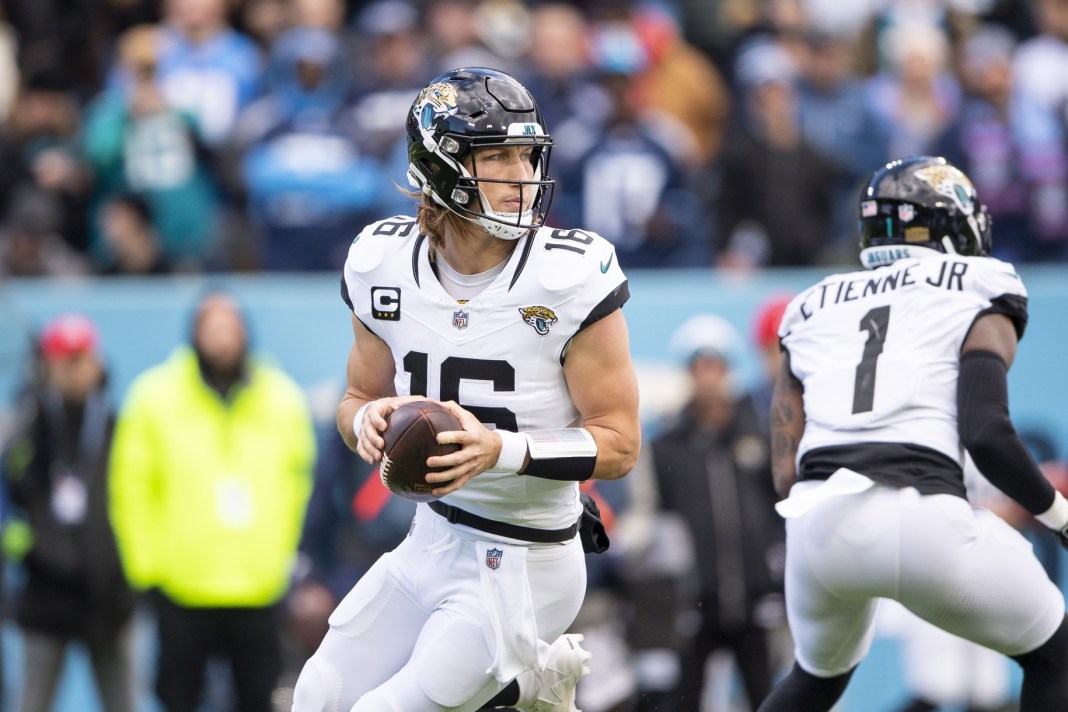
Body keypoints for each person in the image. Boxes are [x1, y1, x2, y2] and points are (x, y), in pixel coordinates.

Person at [290, 67, 641, 712]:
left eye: (527, 155)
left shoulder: (569, 275)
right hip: (430, 537)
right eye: (497, 157)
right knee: (318, 695)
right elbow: (352, 402)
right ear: (443, 168)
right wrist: (365, 421)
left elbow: (620, 446)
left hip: (528, 556)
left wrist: (499, 450)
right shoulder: (381, 262)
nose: (522, 175)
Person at [757, 155, 1068, 712]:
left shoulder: (810, 304)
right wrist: (1060, 518)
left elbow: (785, 468)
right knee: (1056, 657)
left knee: (814, 681)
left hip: (817, 525)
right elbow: (987, 433)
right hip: (923, 516)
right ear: (952, 223)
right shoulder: (979, 282)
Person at [109, 291, 316, 712]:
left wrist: (286, 553)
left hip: (259, 585)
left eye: (231, 327)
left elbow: (301, 483)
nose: (223, 339)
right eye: (212, 328)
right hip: (182, 585)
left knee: (259, 698)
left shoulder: (281, 398)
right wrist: (146, 568)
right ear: (194, 334)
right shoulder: (153, 397)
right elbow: (130, 488)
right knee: (178, 697)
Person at [643, 315, 784, 711]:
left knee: (765, 697)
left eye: (715, 365)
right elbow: (661, 519)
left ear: (728, 369)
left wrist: (774, 575)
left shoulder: (756, 433)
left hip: (754, 596)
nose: (707, 376)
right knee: (686, 699)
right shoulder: (668, 444)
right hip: (695, 602)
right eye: (698, 366)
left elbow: (777, 511)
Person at [1, 314, 136, 712]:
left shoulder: (117, 429)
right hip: (45, 596)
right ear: (49, 366)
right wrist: (35, 554)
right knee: (33, 702)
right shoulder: (29, 431)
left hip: (108, 596)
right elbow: (15, 503)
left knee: (122, 702)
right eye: (66, 360)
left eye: (83, 358)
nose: (76, 371)